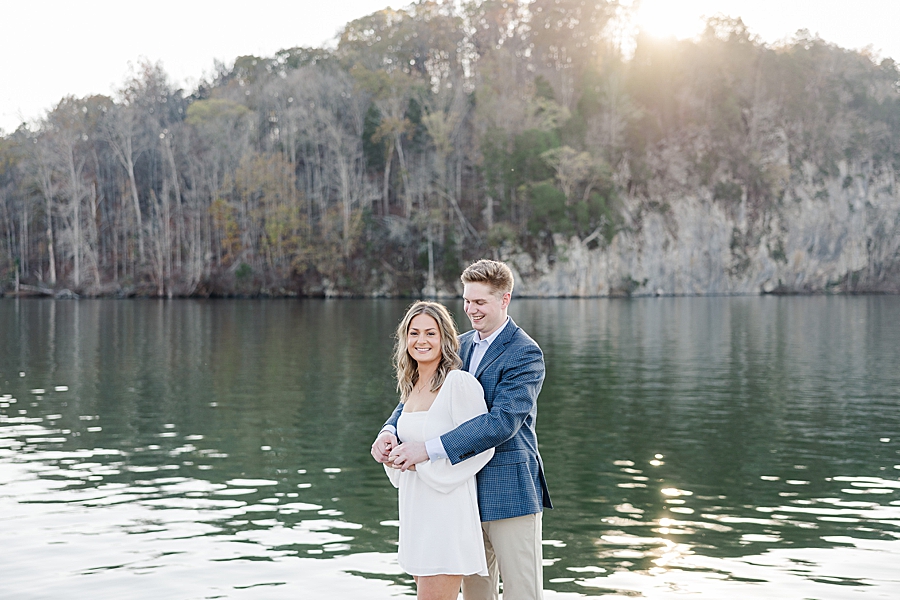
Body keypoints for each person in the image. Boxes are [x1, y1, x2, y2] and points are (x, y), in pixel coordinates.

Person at [373, 259, 551, 600]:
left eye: (480, 302)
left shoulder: (524, 353)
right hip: (458, 493)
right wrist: (389, 429)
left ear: (504, 299)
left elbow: (503, 422)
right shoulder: (460, 345)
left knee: (521, 591)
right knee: (476, 592)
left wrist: (427, 449)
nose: (471, 310)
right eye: (467, 301)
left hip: (508, 490)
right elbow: (420, 394)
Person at [381, 300, 496, 600]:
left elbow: (482, 446)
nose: (421, 341)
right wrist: (389, 448)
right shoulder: (412, 385)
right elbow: (409, 440)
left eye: (430, 333)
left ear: (445, 338)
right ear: (405, 339)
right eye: (414, 333)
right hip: (416, 510)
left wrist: (424, 459)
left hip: (445, 515)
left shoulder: (459, 383)